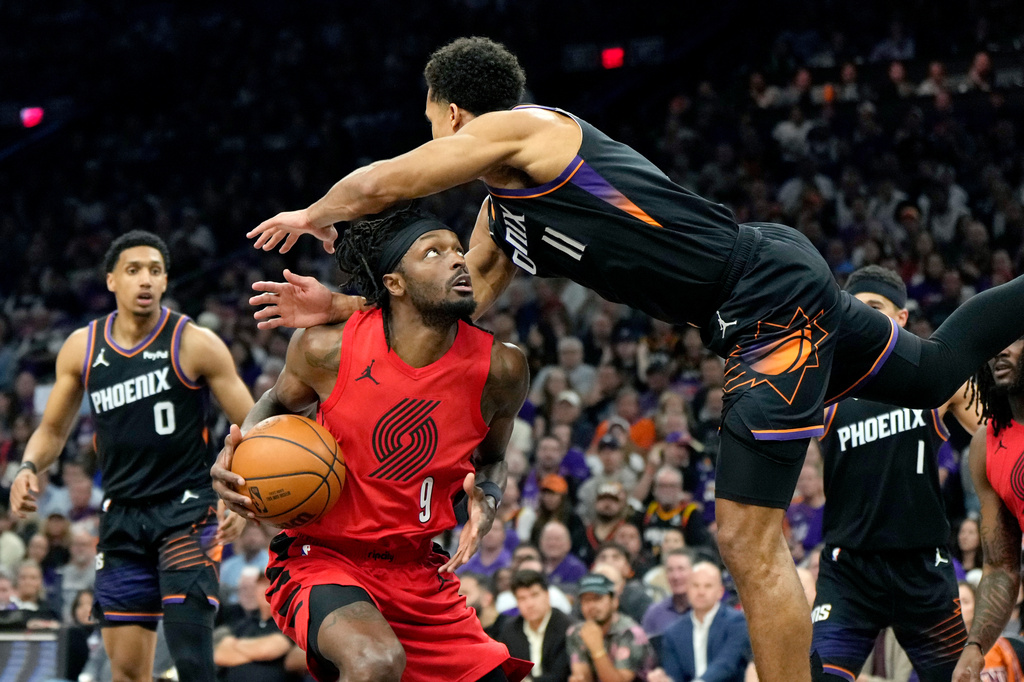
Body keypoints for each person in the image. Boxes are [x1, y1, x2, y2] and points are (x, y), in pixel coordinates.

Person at [246, 37, 1024, 682]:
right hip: (767, 285)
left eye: (431, 120)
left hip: (762, 302)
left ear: (450, 114)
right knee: (926, 374)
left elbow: (390, 179)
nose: (433, 134)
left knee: (747, 541)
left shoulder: (525, 128)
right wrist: (347, 308)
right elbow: (459, 307)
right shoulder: (499, 209)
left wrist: (313, 215)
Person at [211, 208, 533, 682]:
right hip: (323, 558)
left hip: (419, 570)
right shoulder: (326, 348)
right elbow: (274, 403)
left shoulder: (502, 370)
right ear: (396, 284)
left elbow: (494, 460)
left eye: (459, 250)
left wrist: (488, 498)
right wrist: (237, 460)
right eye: (434, 253)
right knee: (374, 662)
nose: (457, 260)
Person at [9, 230, 253, 682]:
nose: (145, 280)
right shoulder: (83, 347)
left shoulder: (193, 342)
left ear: (165, 283)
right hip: (121, 518)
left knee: (192, 661)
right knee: (125, 671)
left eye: (155, 272)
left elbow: (256, 426)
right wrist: (27, 467)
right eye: (134, 270)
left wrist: (240, 491)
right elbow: (51, 429)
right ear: (110, 281)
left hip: (188, 513)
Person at [814, 266, 981, 682]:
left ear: (902, 317)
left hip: (922, 571)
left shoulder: (938, 377)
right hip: (850, 571)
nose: (865, 317)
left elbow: (1002, 444)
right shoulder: (823, 382)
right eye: (857, 309)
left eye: (876, 308)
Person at [953, 336, 1024, 682]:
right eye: (999, 339)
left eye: (1019, 339)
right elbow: (1000, 565)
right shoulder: (987, 442)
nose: (1003, 349)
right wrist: (976, 646)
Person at [649, 562, 751, 682]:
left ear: (720, 592)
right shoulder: (673, 632)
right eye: (695, 585)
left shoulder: (737, 622)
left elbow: (727, 664)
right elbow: (674, 675)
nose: (701, 592)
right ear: (687, 589)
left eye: (707, 586)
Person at [566, 571, 654, 682]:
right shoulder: (576, 632)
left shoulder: (630, 633)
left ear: (614, 601)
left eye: (598, 598)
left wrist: (597, 649)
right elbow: (582, 675)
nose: (592, 606)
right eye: (586, 600)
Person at [213, 571, 295, 682]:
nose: (266, 590)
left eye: (271, 585)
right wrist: (255, 652)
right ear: (255, 591)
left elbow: (269, 649)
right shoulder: (244, 623)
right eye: (261, 585)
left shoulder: (290, 623)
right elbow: (219, 655)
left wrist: (235, 644)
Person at [498, 569, 573, 682]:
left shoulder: (566, 627)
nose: (529, 604)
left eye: (535, 595)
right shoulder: (510, 630)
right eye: (522, 598)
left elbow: (561, 675)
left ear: (547, 595)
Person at [641, 549, 693, 638]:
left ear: (693, 571)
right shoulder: (654, 613)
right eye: (670, 570)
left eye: (681, 569)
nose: (676, 576)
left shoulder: (706, 610)